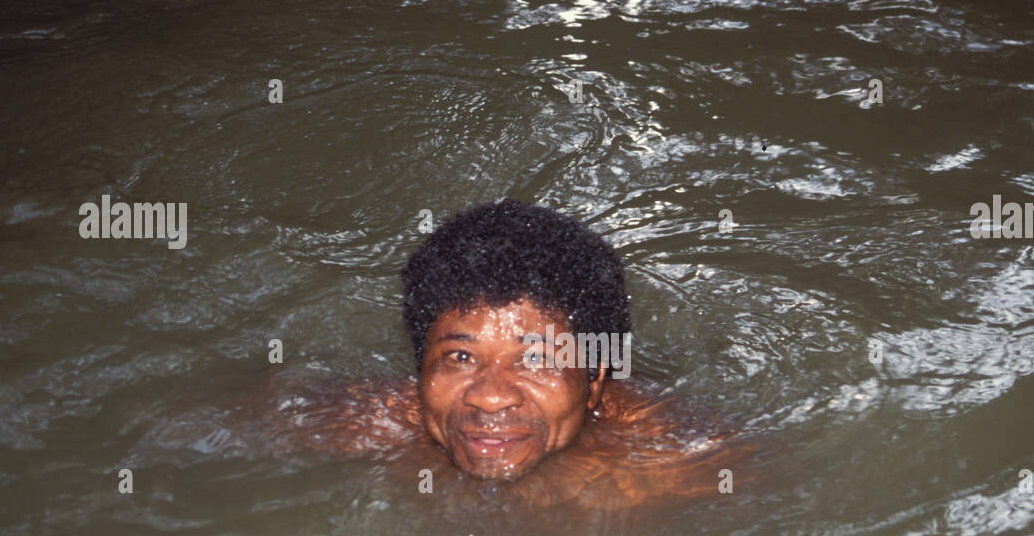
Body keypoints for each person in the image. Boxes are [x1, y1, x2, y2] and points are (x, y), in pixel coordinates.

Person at [267, 198, 751, 511]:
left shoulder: (688, 462)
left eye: (537, 359)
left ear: (595, 381)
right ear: (420, 371)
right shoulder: (373, 426)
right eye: (460, 357)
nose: (491, 397)